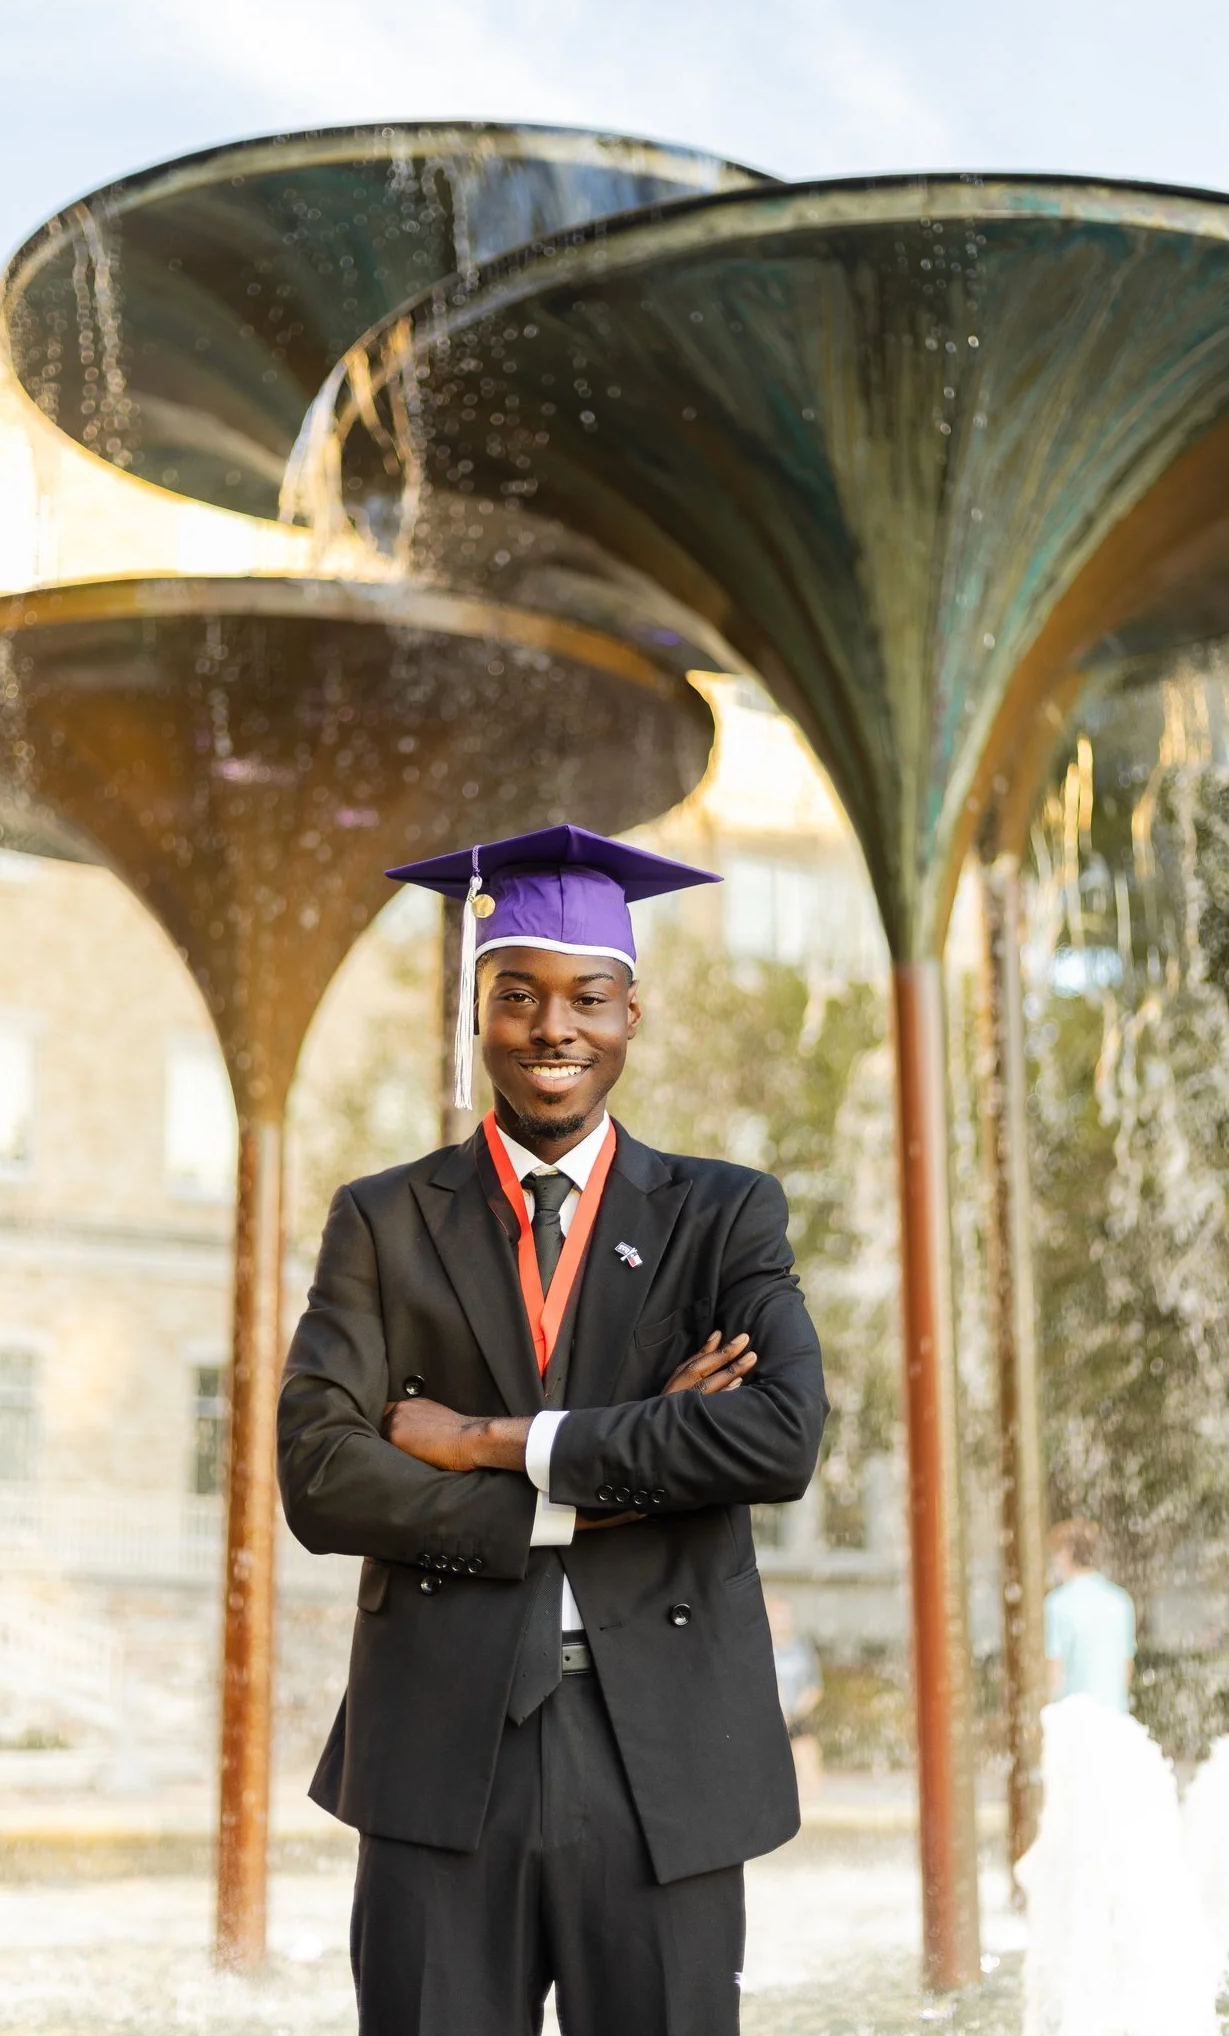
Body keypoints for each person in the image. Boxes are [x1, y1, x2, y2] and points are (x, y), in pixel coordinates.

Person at [278, 823, 829, 2036]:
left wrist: (488, 1440)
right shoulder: (380, 1219)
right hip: (438, 1748)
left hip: (666, 1755)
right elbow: (319, 1475)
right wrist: (627, 1465)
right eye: (515, 994)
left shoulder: (724, 1214)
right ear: (476, 1010)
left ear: (636, 1014)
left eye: (588, 996)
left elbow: (781, 1436)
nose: (551, 1027)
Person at [1044, 1518, 1136, 1713]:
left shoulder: (1057, 1604)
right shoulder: (1120, 1601)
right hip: (1114, 1717)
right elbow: (1126, 1666)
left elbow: (1054, 1669)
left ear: (1067, 1553)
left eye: (1055, 1554)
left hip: (1074, 1719)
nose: (1053, 1562)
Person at [766, 1593, 824, 1800]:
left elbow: (814, 1688)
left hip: (797, 1717)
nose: (780, 1621)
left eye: (783, 1615)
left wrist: (795, 1713)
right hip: (768, 1718)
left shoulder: (802, 1650)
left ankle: (816, 1808)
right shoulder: (762, 1649)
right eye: (775, 1615)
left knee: (808, 1759)